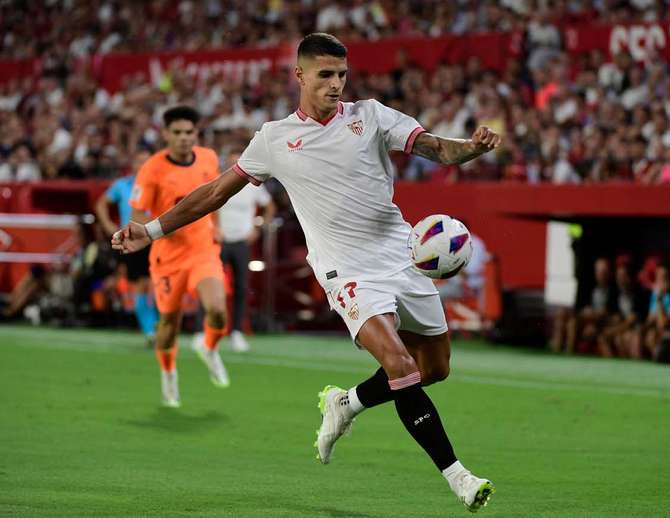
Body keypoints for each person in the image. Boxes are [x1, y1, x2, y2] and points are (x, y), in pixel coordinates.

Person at [113, 33, 500, 512]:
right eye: (325, 75)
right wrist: (151, 230)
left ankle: (347, 402)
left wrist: (471, 148)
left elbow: (436, 148)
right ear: (299, 75)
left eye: (342, 75)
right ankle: (460, 478)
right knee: (401, 368)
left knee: (434, 369)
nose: (336, 84)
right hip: (346, 270)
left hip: (402, 256)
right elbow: (214, 192)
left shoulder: (371, 116)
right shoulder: (274, 139)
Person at [127, 106, 231, 408]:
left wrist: (217, 226)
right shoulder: (152, 169)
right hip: (168, 258)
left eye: (189, 132)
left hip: (202, 250)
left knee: (217, 310)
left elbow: (215, 196)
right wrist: (156, 229)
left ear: (196, 133)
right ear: (166, 134)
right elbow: (137, 213)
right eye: (177, 132)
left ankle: (209, 347)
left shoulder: (209, 158)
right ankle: (168, 373)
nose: (184, 138)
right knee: (169, 323)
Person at [192, 150, 276, 352]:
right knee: (209, 284)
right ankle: (200, 331)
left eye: (237, 161)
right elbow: (205, 206)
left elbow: (270, 207)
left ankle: (237, 332)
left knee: (241, 287)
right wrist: (213, 227)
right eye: (231, 162)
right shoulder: (218, 181)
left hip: (241, 242)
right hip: (218, 241)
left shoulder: (254, 185)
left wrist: (258, 228)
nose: (235, 166)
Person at [95, 149, 159, 346]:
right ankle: (151, 331)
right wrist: (108, 226)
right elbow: (101, 204)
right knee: (140, 285)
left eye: (147, 161)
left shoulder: (159, 184)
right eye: (140, 161)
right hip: (134, 241)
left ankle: (158, 328)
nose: (143, 165)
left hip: (156, 239)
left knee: (157, 285)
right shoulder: (123, 185)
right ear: (133, 165)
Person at [640, 261, 670, 359]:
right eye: (659, 277)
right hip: (660, 331)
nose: (662, 281)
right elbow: (651, 319)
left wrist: (660, 299)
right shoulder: (657, 293)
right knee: (638, 335)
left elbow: (663, 324)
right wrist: (641, 330)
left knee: (652, 336)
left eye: (665, 277)